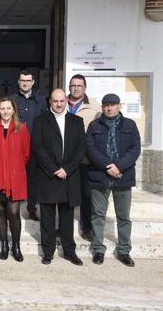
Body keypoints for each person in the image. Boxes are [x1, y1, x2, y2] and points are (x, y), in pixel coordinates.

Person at [32, 89, 86, 266]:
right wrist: (55, 169)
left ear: (66, 101)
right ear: (50, 102)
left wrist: (66, 169)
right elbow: (38, 148)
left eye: (62, 101)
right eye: (55, 101)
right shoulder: (40, 121)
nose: (59, 104)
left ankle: (69, 252)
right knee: (47, 218)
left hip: (68, 177)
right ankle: (48, 252)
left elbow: (81, 148)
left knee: (67, 218)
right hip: (48, 176)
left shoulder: (77, 121)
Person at [86, 93, 141, 267]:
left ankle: (124, 250)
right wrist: (108, 166)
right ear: (102, 107)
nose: (109, 108)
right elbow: (90, 149)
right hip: (100, 176)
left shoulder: (130, 125)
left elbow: (135, 149)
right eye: (106, 105)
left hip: (122, 177)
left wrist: (119, 166)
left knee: (123, 216)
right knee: (98, 215)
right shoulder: (94, 126)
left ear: (119, 106)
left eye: (113, 105)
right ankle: (98, 250)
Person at [0, 98, 31, 262]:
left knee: (14, 212)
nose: (6, 111)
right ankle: (4, 245)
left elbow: (26, 154)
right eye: (2, 109)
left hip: (14, 178)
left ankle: (16, 246)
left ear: (14, 110)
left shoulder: (21, 128)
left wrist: (12, 168)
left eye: (9, 108)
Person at [67, 74, 101, 241]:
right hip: (64, 159)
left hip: (85, 159)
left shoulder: (94, 106)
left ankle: (86, 227)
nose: (76, 88)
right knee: (64, 194)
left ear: (85, 88)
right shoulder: (60, 103)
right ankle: (63, 226)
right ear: (69, 87)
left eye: (79, 85)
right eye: (73, 85)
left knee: (86, 194)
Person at [13, 70, 48, 221]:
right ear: (18, 82)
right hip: (15, 146)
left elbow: (46, 121)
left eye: (28, 80)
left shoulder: (41, 100)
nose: (25, 83)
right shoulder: (12, 99)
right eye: (22, 80)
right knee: (14, 177)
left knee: (33, 178)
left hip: (35, 146)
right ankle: (12, 207)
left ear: (33, 82)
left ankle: (31, 208)